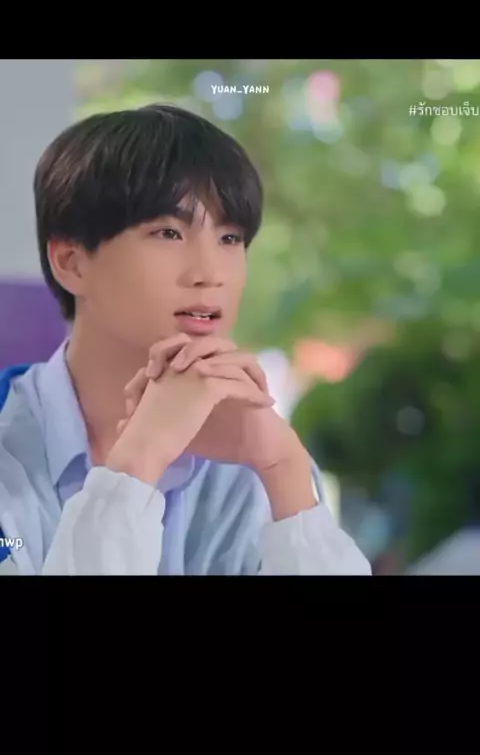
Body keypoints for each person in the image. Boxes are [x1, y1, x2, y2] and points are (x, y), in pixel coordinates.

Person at [0, 104, 371, 576]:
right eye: (169, 232)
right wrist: (139, 461)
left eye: (230, 238)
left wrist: (285, 472)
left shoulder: (255, 455)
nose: (209, 273)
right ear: (72, 263)